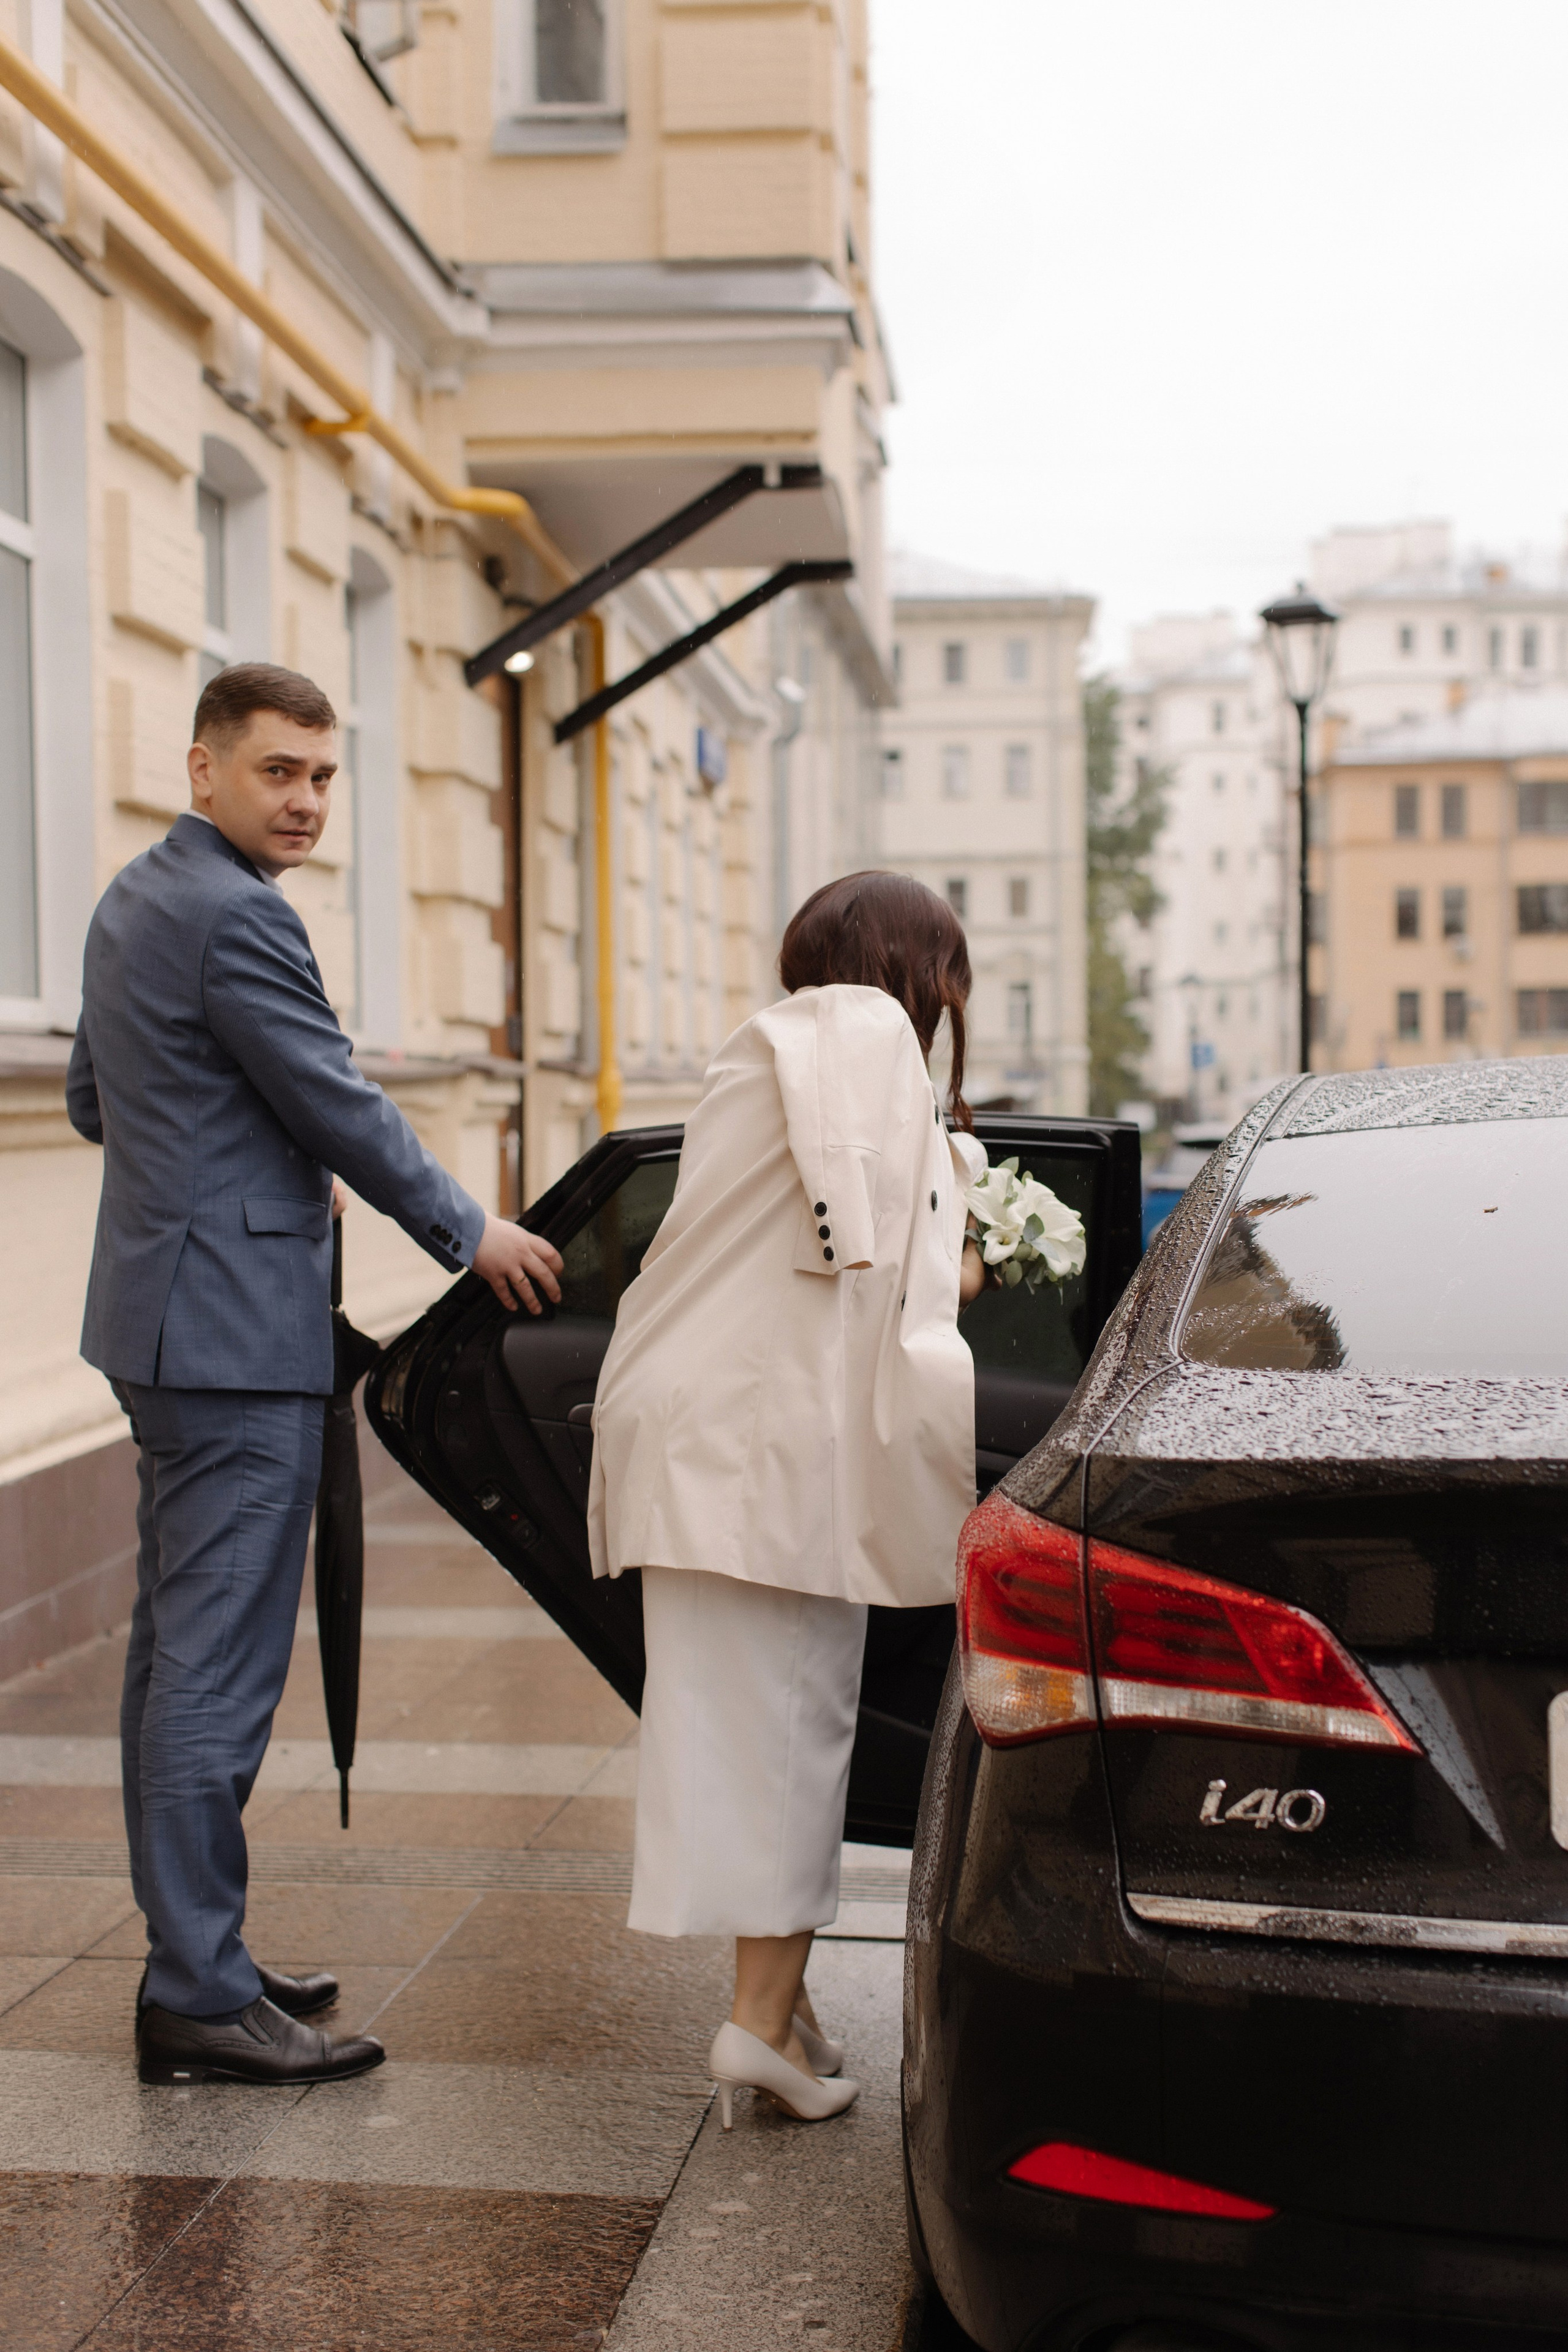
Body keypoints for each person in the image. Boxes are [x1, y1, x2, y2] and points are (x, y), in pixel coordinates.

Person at [67, 663, 564, 2087]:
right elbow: (336, 1099)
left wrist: (246, 1162)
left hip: (159, 1326)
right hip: (230, 1342)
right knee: (212, 1675)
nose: (303, 800)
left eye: (322, 776)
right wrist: (468, 1230)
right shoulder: (239, 917)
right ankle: (198, 1992)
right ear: (203, 769)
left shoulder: (133, 898)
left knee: (174, 1657)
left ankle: (196, 1953)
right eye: (276, 771)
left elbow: (103, 1101)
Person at [587, 870, 988, 2126]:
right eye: (950, 974)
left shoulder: (754, 1056)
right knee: (793, 1738)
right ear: (912, 970)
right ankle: (757, 2027)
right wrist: (971, 1249)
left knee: (734, 1734)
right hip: (779, 1459)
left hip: (689, 1437)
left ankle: (782, 2013)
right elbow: (883, 1264)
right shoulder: (867, 1041)